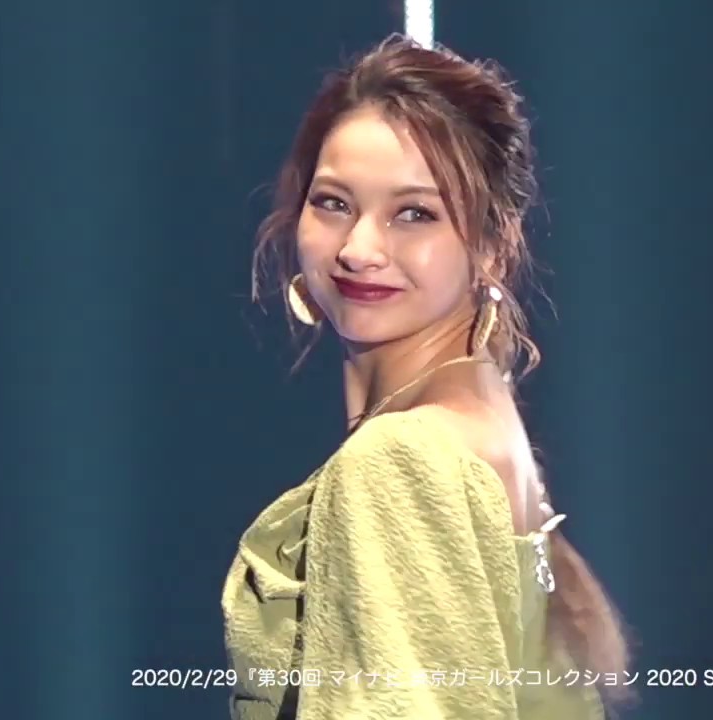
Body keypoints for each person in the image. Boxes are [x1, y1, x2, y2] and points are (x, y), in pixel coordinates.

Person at [221, 35, 633, 719]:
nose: (360, 249)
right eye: (333, 203)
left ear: (492, 243)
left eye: (414, 214)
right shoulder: (483, 419)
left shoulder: (399, 459)